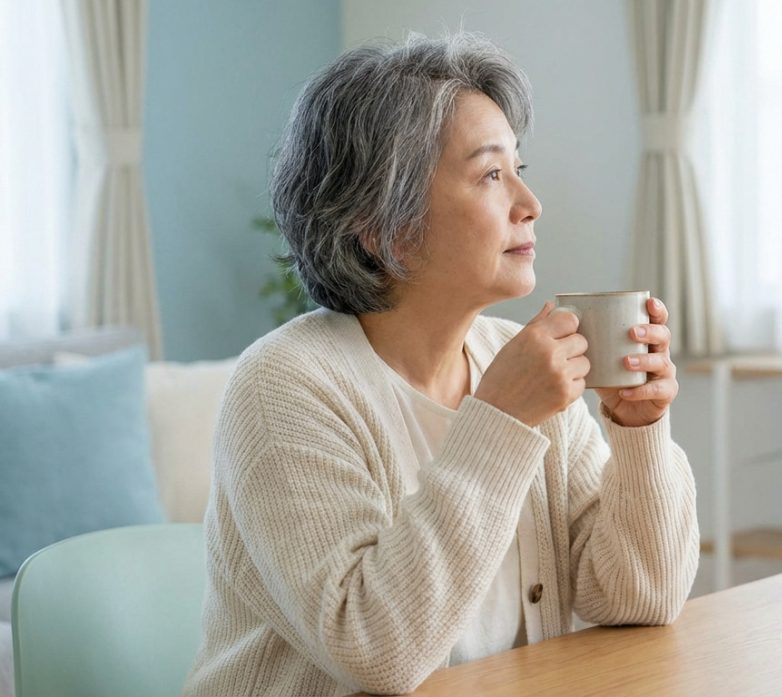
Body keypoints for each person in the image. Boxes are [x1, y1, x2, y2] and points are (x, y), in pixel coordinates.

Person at [181, 32, 699, 697]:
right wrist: (502, 418)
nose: (529, 203)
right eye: (490, 174)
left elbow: (640, 597)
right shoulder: (284, 387)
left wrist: (638, 432)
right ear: (385, 227)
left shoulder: (512, 358)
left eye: (520, 169)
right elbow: (378, 651)